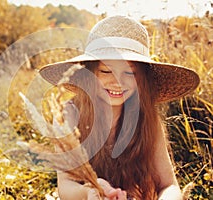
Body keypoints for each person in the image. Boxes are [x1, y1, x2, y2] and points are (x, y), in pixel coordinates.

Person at [38, 16, 200, 200]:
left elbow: (169, 185)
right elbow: (66, 184)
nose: (117, 82)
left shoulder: (147, 119)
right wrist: (89, 192)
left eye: (129, 72)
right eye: (106, 71)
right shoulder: (69, 114)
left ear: (142, 79)